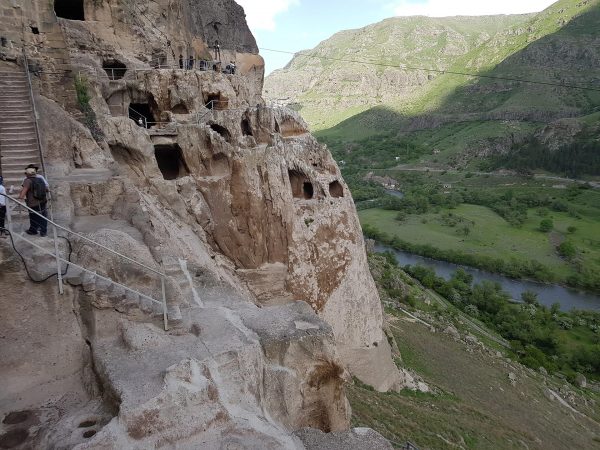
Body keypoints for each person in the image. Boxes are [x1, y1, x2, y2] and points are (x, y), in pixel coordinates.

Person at [19, 167, 48, 237]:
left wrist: (20, 198)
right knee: (43, 216)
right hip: (42, 201)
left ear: (27, 174)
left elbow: (23, 192)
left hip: (33, 203)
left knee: (33, 217)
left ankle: (33, 230)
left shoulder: (27, 181)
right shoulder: (40, 179)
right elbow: (46, 189)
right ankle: (43, 232)